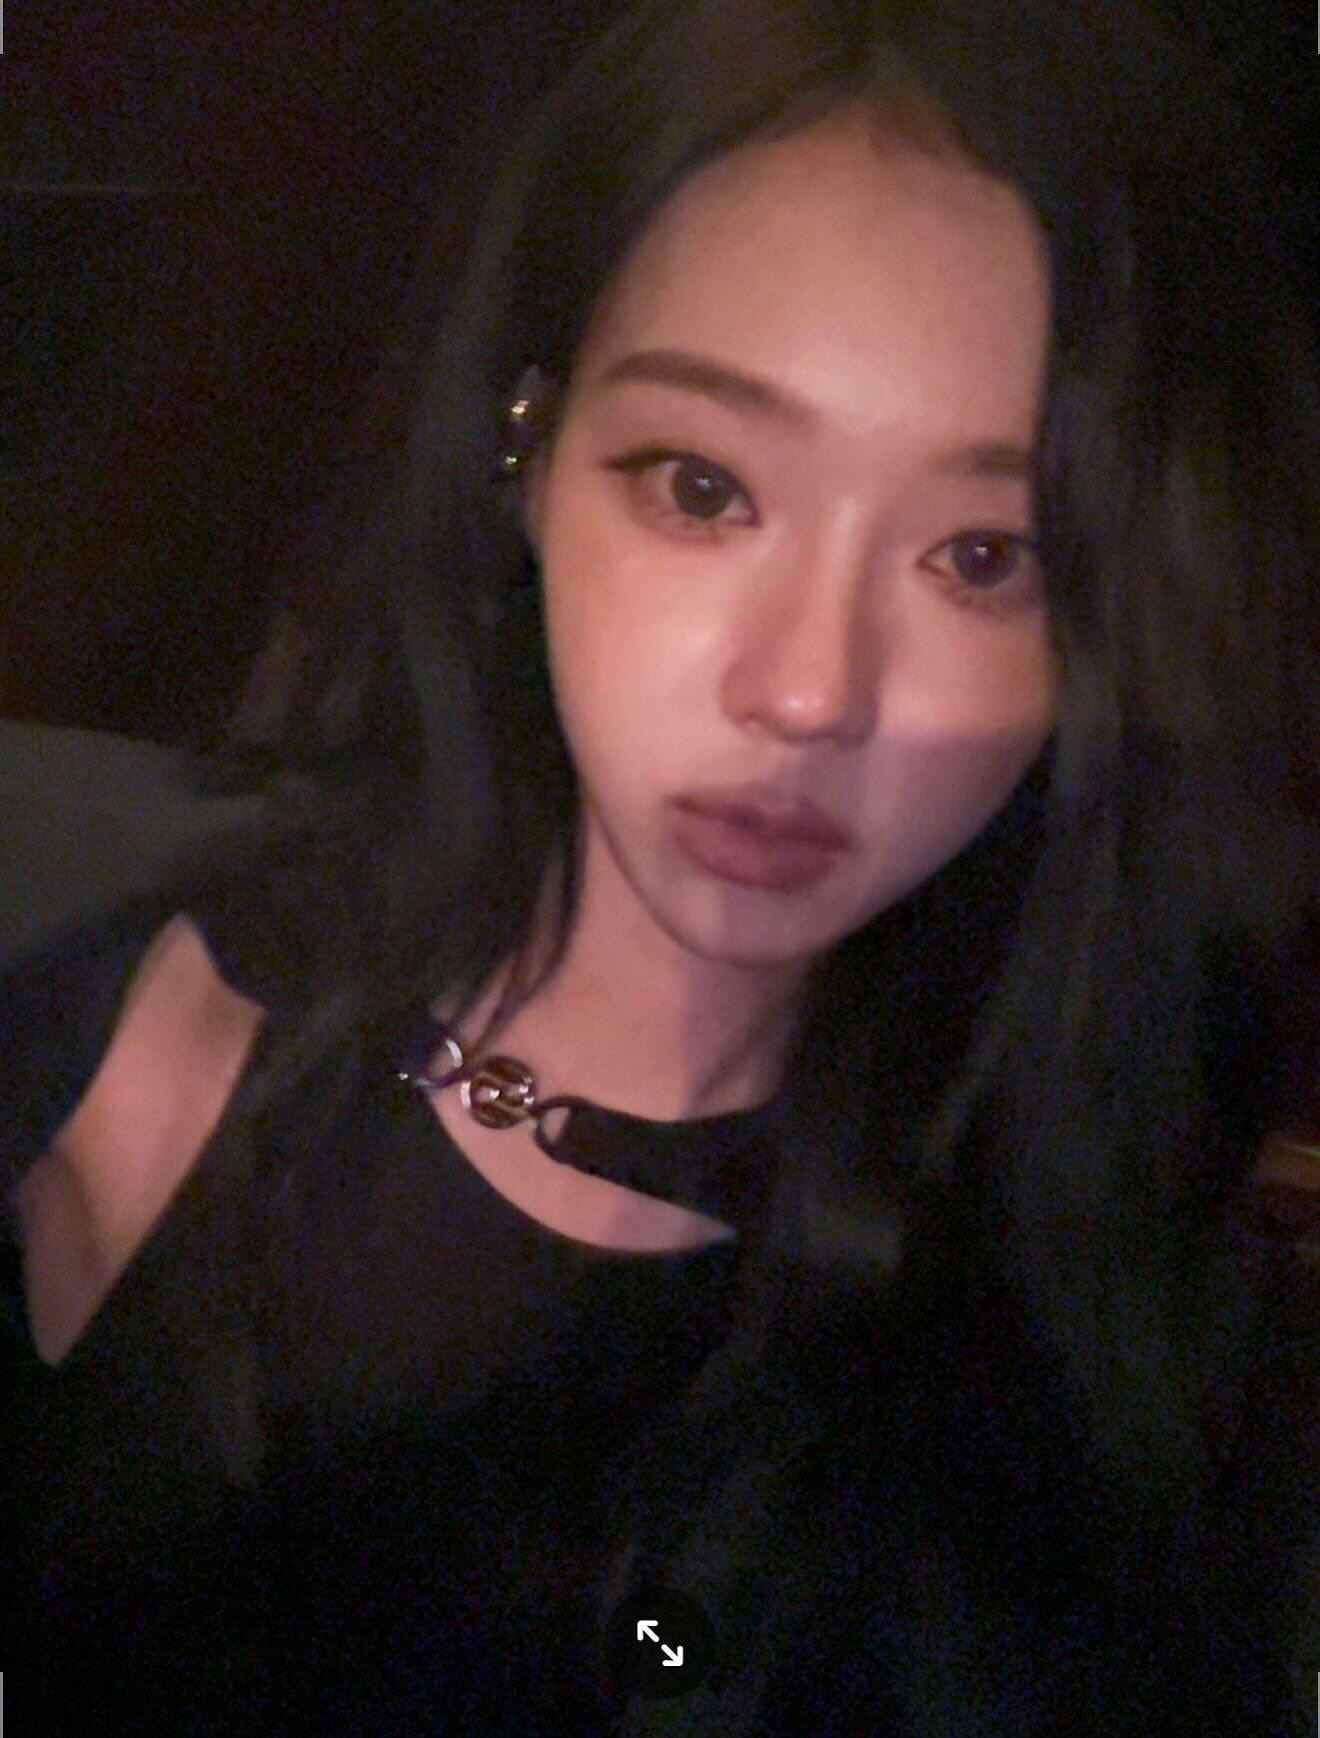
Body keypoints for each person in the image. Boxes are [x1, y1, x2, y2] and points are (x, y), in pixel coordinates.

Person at [3, 0, 1318, 1731]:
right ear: (530, 456)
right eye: (701, 486)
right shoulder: (133, 1045)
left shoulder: (1139, 1306)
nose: (809, 688)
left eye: (985, 556)